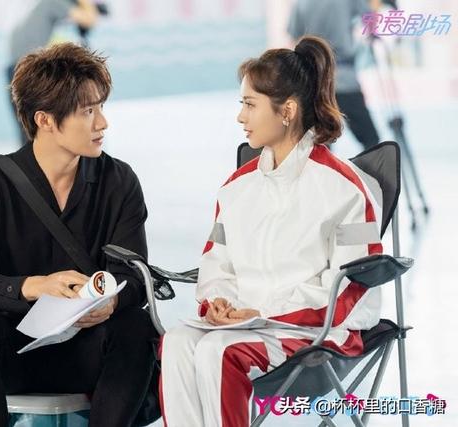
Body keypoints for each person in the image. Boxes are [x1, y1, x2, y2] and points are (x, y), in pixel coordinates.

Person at [159, 36, 382, 427]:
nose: (240, 117)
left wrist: (262, 313)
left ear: (287, 111)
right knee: (177, 342)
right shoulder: (236, 188)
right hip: (243, 326)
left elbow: (351, 289)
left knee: (218, 352)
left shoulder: (343, 188)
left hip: (316, 333)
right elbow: (216, 263)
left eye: (249, 104)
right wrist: (219, 302)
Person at [0, 43, 158, 427]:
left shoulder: (119, 181)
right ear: (44, 120)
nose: (102, 123)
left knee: (135, 326)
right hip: (13, 354)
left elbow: (135, 278)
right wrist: (34, 286)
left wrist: (110, 302)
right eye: (87, 111)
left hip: (88, 354)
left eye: (101, 107)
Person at [288, 0, 382, 151]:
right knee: (371, 142)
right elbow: (369, 18)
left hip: (314, 83)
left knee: (320, 145)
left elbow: (294, 39)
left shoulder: (301, 3)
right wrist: (371, 37)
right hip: (345, 80)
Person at [7, 0, 100, 145]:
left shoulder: (39, 13)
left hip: (17, 69)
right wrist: (86, 4)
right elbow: (89, 19)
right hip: (28, 71)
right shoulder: (53, 2)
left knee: (30, 130)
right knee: (38, 130)